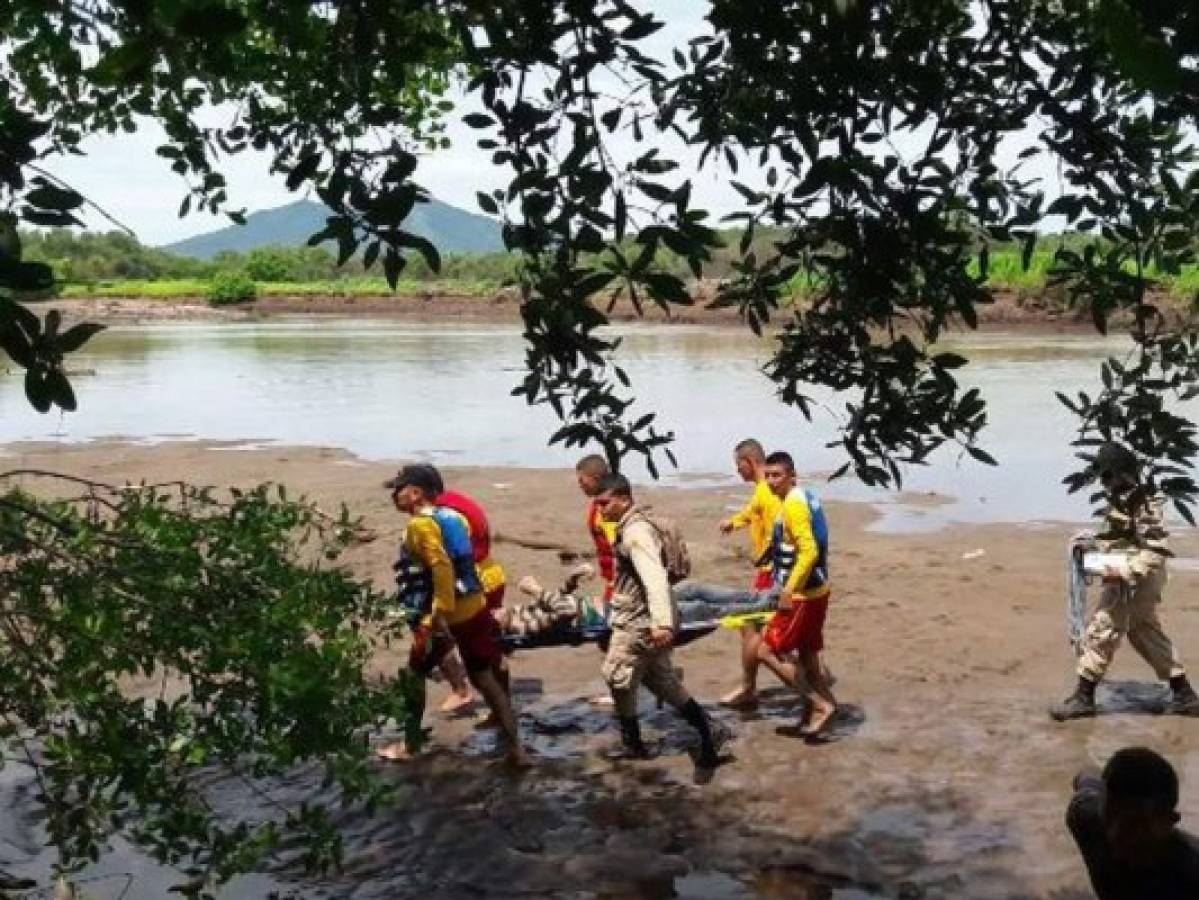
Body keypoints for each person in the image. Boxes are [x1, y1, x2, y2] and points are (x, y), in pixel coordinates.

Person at [379, 464, 531, 768]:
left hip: (443, 614)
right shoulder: (450, 516)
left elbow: (441, 567)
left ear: (415, 492)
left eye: (399, 490)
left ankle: (410, 743)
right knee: (484, 675)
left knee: (413, 676)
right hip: (474, 606)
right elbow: (462, 559)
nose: (394, 495)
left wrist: (439, 614)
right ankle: (517, 749)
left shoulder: (420, 525)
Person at [1051, 442, 1199, 720]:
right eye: (1103, 477)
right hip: (1129, 579)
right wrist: (1094, 547)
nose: (1105, 483)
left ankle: (1084, 696)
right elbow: (1120, 539)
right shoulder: (1122, 499)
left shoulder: (1143, 502)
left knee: (1103, 630)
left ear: (1125, 474)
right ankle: (1184, 695)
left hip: (1133, 583)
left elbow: (1155, 549)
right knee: (1145, 633)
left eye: (1109, 476)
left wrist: (1126, 572)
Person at [594, 473, 725, 770]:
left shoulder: (636, 532)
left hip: (639, 624)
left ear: (624, 499)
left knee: (618, 677)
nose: (600, 509)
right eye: (597, 503)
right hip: (643, 620)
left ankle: (635, 744)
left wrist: (662, 623)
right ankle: (709, 730)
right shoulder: (633, 525)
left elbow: (654, 577)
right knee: (663, 682)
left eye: (605, 502)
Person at [756, 451, 838, 739]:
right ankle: (826, 706)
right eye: (767, 476)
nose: (770, 482)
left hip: (803, 594)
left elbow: (809, 550)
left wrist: (788, 589)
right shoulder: (804, 497)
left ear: (792, 475)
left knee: (765, 651)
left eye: (776, 475)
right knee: (807, 656)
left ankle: (818, 705)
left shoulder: (793, 506)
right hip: (818, 589)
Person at [1067, 747, 1199, 899]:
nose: (1115, 833)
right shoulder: (1087, 819)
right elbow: (1087, 778)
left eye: (1134, 824)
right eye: (1110, 815)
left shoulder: (1191, 874)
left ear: (1170, 821)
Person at [434, 479, 511, 714]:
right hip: (491, 574)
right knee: (490, 643)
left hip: (473, 583)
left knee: (438, 637)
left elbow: (455, 556)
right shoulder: (459, 503)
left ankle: (462, 691)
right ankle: (501, 706)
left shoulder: (446, 516)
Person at [717, 438, 783, 708]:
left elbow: (780, 525)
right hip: (769, 569)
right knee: (755, 628)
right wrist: (734, 522)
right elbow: (753, 511)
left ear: (750, 461)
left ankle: (748, 688)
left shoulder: (767, 490)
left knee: (749, 624)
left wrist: (768, 557)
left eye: (738, 465)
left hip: (771, 570)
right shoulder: (762, 489)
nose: (737, 471)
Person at [576, 454, 617, 614]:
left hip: (621, 582)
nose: (580, 485)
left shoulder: (608, 509)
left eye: (582, 481)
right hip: (612, 580)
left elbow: (620, 547)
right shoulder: (599, 503)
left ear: (596, 478)